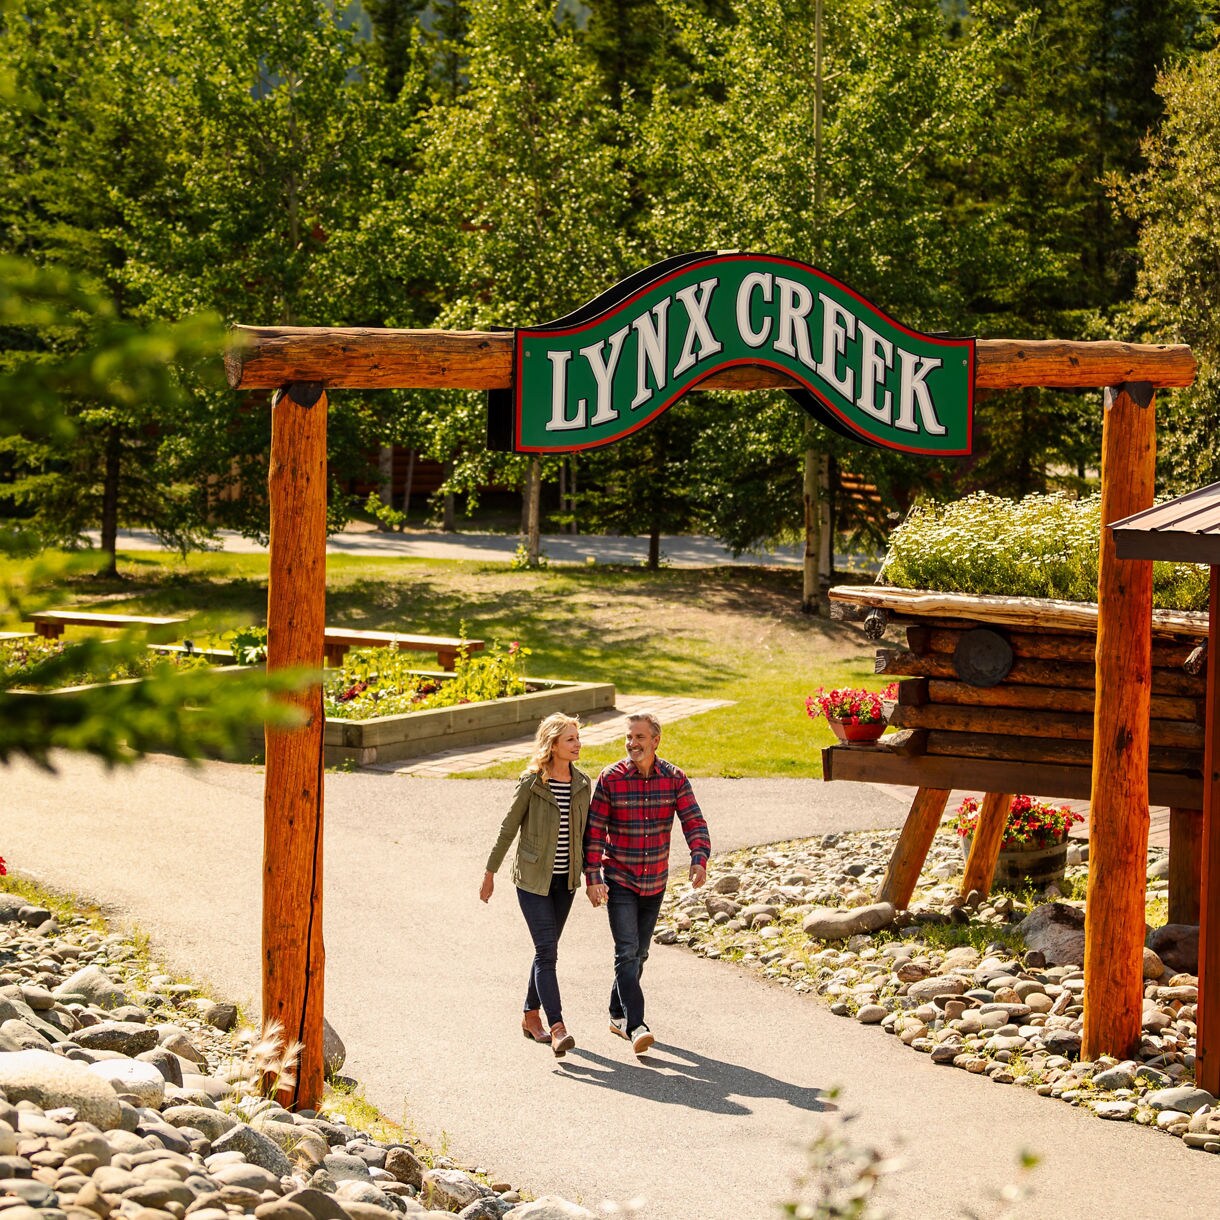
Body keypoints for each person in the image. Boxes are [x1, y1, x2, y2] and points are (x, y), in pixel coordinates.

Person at [583, 712, 710, 1055]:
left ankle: (615, 1013)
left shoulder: (674, 778)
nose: (632, 744)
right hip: (620, 878)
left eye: (639, 737)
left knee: (639, 954)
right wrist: (592, 877)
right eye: (629, 737)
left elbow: (693, 820)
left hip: (654, 880)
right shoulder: (610, 778)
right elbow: (594, 832)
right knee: (626, 951)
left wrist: (700, 858)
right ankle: (636, 1024)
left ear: (656, 741)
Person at [481, 713, 590, 1058]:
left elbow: (587, 835)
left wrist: (593, 879)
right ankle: (557, 1027)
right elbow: (508, 828)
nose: (577, 744)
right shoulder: (532, 783)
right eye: (570, 739)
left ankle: (530, 1014)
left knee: (547, 949)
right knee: (547, 952)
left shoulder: (582, 784)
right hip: (532, 882)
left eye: (577, 738)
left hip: (566, 882)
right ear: (553, 744)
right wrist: (490, 872)